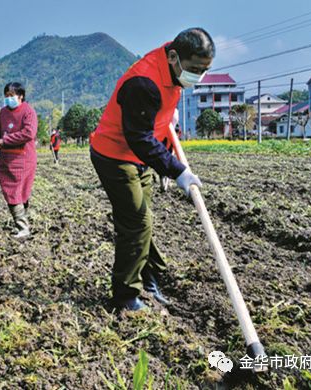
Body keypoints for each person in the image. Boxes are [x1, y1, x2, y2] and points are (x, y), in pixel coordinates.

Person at [90, 28, 213, 311]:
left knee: (142, 219)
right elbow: (140, 137)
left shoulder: (174, 69)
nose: (198, 76)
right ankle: (124, 296)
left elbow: (158, 124)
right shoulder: (144, 83)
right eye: (195, 69)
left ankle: (150, 275)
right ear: (173, 57)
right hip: (114, 155)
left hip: (139, 156)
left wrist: (168, 147)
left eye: (204, 70)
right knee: (136, 222)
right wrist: (177, 170)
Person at [0, 82, 38, 239]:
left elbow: (28, 133)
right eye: (6, 96)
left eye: (11, 95)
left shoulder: (28, 111)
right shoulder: (3, 112)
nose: (8, 99)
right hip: (6, 159)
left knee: (19, 192)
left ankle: (23, 226)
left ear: (21, 96)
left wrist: (5, 140)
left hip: (23, 158)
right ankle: (22, 224)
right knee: (11, 192)